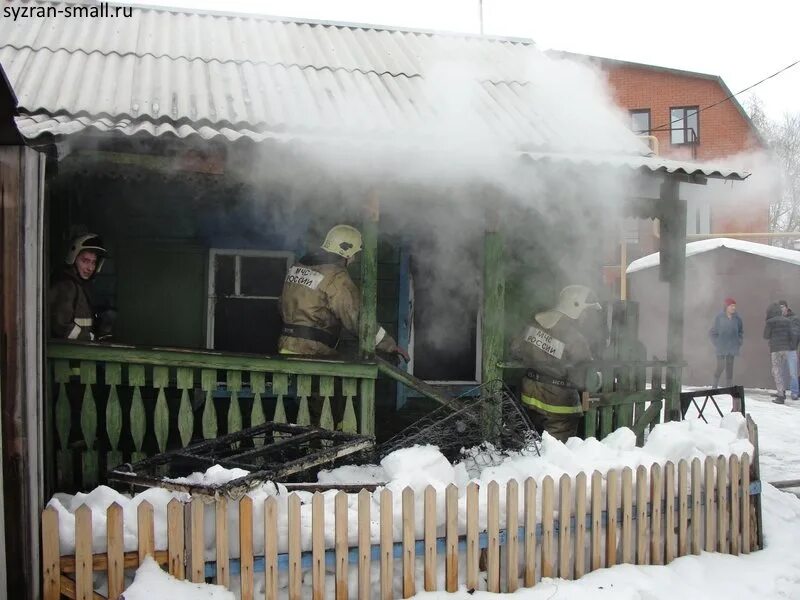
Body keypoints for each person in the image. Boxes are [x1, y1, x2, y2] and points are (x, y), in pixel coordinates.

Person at [278, 224, 409, 361]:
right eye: (354, 254)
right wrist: (388, 344)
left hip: (286, 346)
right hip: (313, 352)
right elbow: (357, 317)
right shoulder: (336, 277)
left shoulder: (296, 268)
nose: (354, 259)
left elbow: (281, 304)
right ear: (347, 251)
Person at [510, 285, 602, 442]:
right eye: (586, 312)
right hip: (560, 407)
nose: (586, 317)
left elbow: (515, 348)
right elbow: (583, 378)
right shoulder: (576, 339)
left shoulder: (535, 324)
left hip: (529, 399)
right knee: (557, 456)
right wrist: (598, 378)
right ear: (575, 309)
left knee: (533, 449)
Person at [49, 233, 113, 341]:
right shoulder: (66, 286)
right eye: (85, 261)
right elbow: (61, 326)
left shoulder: (83, 286)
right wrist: (91, 338)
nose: (90, 268)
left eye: (93, 262)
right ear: (73, 258)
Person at [764, 302, 796, 403]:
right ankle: (782, 391)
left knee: (777, 372)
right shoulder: (787, 321)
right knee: (784, 371)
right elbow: (792, 335)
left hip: (776, 350)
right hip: (786, 349)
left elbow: (766, 336)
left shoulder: (770, 322)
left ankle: (781, 395)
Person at [708, 297, 743, 388]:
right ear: (726, 307)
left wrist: (739, 341)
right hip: (721, 347)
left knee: (730, 367)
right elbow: (712, 332)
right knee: (720, 366)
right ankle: (714, 385)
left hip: (732, 347)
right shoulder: (719, 317)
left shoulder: (737, 319)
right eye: (731, 306)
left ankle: (729, 386)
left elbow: (740, 331)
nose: (733, 308)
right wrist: (717, 343)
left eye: (734, 306)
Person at [778, 300, 800, 399]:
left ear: (787, 307)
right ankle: (781, 391)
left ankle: (795, 392)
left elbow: (795, 333)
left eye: (782, 307)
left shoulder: (794, 318)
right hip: (780, 349)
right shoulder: (778, 319)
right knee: (780, 372)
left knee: (793, 373)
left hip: (791, 349)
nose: (781, 309)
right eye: (779, 307)